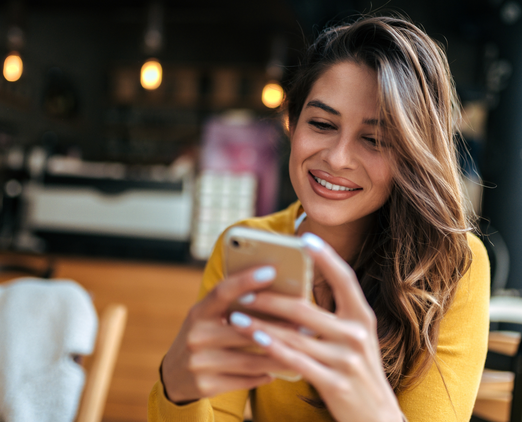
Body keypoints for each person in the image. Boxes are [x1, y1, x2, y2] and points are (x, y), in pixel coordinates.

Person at [149, 14, 490, 422]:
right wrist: (177, 391)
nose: (337, 158)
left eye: (374, 139)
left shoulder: (454, 265)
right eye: (322, 124)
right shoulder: (248, 247)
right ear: (292, 123)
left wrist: (369, 408)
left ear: (411, 157)